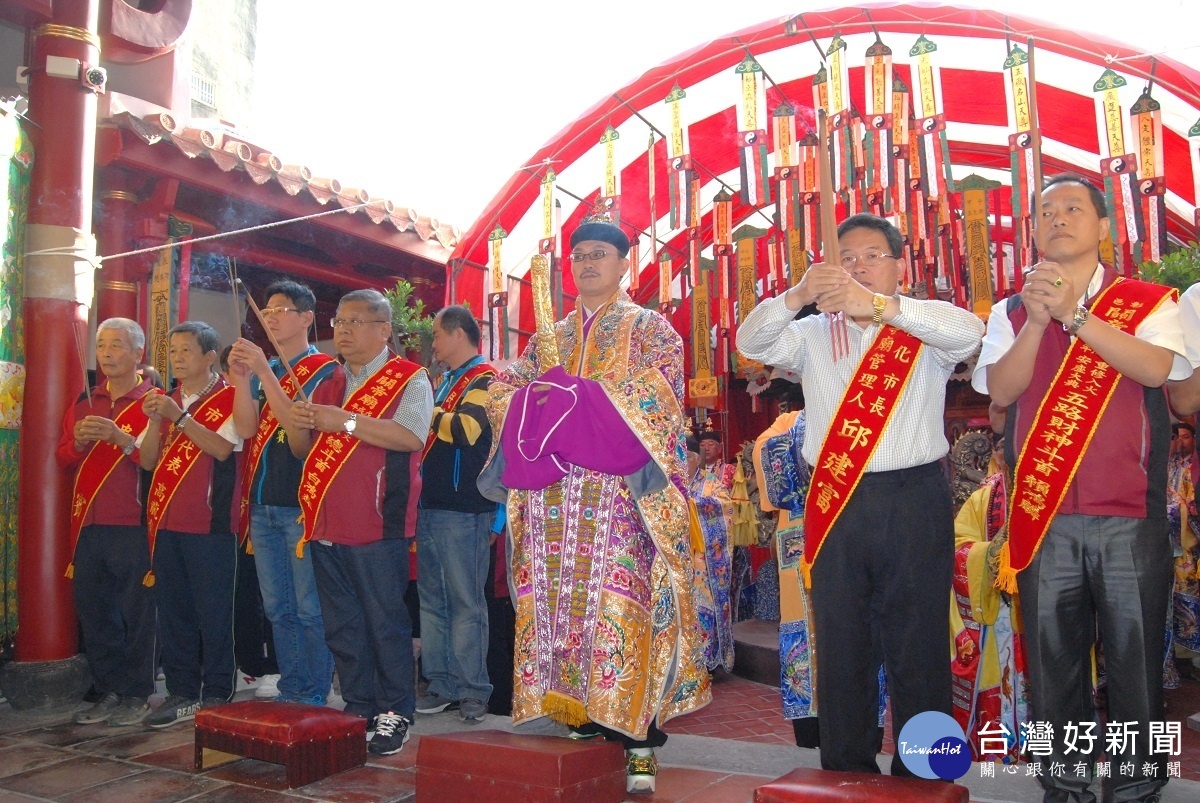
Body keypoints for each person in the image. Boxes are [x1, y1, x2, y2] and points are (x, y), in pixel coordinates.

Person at [738, 212, 983, 776]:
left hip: (915, 495)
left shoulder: (923, 324)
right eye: (846, 258)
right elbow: (754, 340)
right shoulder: (812, 334)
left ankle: (927, 769)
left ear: (899, 264)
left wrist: (878, 307)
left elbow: (968, 334)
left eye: (872, 255)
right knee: (844, 639)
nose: (858, 266)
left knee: (919, 639)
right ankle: (845, 767)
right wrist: (800, 293)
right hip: (837, 497)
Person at [974, 174, 1189, 802]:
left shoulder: (1149, 301)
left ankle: (1135, 788)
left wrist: (1078, 315)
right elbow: (1001, 391)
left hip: (1130, 514)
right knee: (1052, 666)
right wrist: (1040, 325)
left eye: (1073, 208)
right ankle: (1062, 787)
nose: (1058, 218)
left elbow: (1158, 370)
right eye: (1045, 211)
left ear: (1102, 227)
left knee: (1135, 661)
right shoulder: (1011, 311)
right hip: (1042, 518)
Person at [478, 220, 710, 794]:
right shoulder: (547, 338)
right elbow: (504, 397)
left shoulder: (650, 329)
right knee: (561, 609)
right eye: (578, 256)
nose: (585, 264)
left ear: (624, 264)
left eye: (599, 255)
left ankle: (640, 741)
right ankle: (581, 716)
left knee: (628, 603)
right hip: (554, 499)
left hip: (619, 496)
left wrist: (573, 404)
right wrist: (541, 401)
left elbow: (657, 400)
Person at [286, 289, 433, 756]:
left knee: (383, 621)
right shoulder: (329, 380)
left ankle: (394, 711)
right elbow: (301, 449)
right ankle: (358, 704)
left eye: (355, 322)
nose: (343, 331)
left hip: (378, 523)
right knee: (342, 625)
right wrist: (296, 415)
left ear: (384, 329)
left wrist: (345, 422)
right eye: (339, 323)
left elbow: (411, 436)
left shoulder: (409, 378)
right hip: (326, 524)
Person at [229, 281, 338, 705]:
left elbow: (299, 430)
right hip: (262, 502)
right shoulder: (265, 368)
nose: (270, 316)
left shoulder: (326, 369)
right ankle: (293, 686)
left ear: (307, 318)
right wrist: (243, 378)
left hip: (301, 503)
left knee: (310, 608)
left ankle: (316, 688)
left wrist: (263, 372)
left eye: (281, 310)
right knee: (277, 607)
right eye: (267, 310)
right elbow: (246, 428)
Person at [139, 321, 242, 728]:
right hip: (166, 521)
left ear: (210, 356)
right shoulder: (167, 399)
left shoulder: (230, 397)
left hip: (211, 523)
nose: (178, 358)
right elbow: (148, 461)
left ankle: (218, 689)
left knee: (215, 611)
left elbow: (221, 448)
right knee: (175, 610)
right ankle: (182, 691)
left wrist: (178, 416)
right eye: (174, 351)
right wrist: (154, 419)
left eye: (186, 351)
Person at [57, 318, 157, 727]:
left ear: (138, 354)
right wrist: (79, 441)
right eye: (101, 345)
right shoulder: (84, 400)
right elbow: (63, 458)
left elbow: (155, 462)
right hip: (88, 525)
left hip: (133, 523)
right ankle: (109, 688)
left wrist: (122, 439)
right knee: (95, 609)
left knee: (136, 611)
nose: (108, 353)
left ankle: (136, 692)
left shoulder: (153, 401)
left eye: (117, 345)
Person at [414, 305, 497, 723]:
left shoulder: (486, 379)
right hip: (431, 505)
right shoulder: (446, 382)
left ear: (458, 334)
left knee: (466, 603)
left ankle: (472, 690)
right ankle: (441, 683)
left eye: (438, 335)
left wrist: (419, 411)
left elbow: (467, 431)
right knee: (432, 602)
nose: (434, 343)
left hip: (465, 508)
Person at [948, 404, 1027, 765]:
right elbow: (959, 547)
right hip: (997, 613)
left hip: (1042, 611)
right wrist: (992, 556)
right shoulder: (986, 495)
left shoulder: (1048, 489)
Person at [689, 429, 735, 672]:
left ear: (698, 458)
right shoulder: (671, 483)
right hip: (679, 557)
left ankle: (707, 662)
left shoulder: (711, 483)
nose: (683, 463)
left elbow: (726, 509)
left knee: (705, 608)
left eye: (687, 457)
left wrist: (694, 506)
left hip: (704, 561)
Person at [1164, 422, 1200, 687]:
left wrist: (1178, 506)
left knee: (1188, 599)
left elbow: (1190, 506)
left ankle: (1191, 658)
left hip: (1184, 547)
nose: (1180, 443)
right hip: (1164, 546)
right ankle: (1174, 658)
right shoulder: (1165, 466)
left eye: (1185, 438)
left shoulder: (1189, 469)